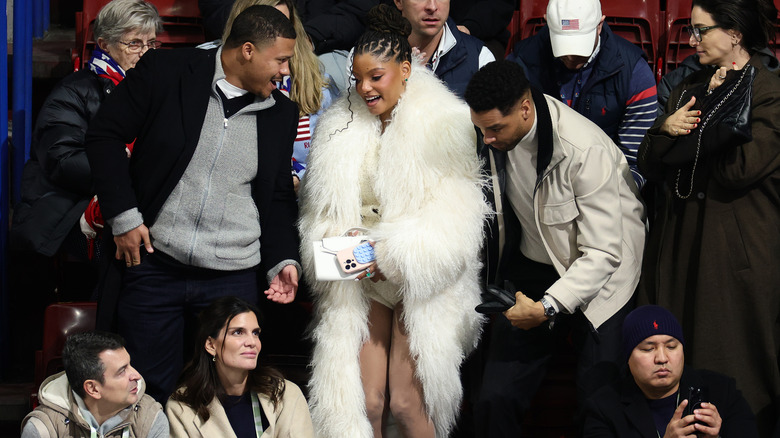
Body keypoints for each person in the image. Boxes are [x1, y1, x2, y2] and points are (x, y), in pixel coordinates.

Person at [85, 5, 300, 403]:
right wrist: (123, 217)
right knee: (148, 393)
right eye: (282, 59)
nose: (286, 71)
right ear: (248, 50)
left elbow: (277, 196)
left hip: (233, 276)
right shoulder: (166, 72)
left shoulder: (282, 113)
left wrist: (283, 260)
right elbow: (104, 136)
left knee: (226, 396)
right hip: (154, 264)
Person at [298, 5, 489, 437]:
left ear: (406, 69)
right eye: (358, 78)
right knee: (364, 403)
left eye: (376, 77)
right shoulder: (337, 128)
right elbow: (318, 218)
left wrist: (393, 254)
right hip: (362, 272)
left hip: (421, 278)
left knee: (406, 403)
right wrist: (348, 251)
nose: (364, 88)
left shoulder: (446, 122)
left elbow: (455, 223)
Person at [466, 60, 646, 436]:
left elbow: (603, 253)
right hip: (534, 264)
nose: (487, 140)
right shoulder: (492, 133)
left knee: (599, 404)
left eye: (495, 128)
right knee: (493, 399)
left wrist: (548, 307)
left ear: (525, 109)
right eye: (480, 129)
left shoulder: (584, 149)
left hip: (604, 277)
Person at [637, 0, 780, 435]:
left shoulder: (770, 90)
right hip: (681, 243)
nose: (693, 40)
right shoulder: (687, 86)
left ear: (734, 32)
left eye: (702, 31)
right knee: (685, 367)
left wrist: (698, 128)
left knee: (735, 361)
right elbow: (651, 158)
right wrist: (665, 131)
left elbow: (740, 168)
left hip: (735, 254)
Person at [10, 0, 162, 288]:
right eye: (134, 44)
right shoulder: (73, 91)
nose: (145, 54)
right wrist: (134, 173)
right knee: (140, 243)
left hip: (128, 197)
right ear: (104, 44)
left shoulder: (156, 90)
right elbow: (63, 161)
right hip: (71, 207)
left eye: (151, 44)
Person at [507, 0, 657, 190]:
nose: (570, 57)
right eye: (564, 46)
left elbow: (635, 159)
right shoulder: (521, 64)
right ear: (547, 24)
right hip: (536, 178)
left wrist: (610, 196)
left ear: (600, 25)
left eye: (580, 46)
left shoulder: (634, 73)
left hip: (609, 181)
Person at [583, 305, 758, 438]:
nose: (662, 358)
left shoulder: (721, 391)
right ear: (628, 358)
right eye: (648, 349)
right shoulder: (604, 408)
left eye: (671, 346)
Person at [166, 296, 313, 437]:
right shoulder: (182, 407)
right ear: (211, 345)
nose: (252, 342)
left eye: (255, 333)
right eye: (238, 332)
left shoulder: (286, 395)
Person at [21, 331, 168, 438]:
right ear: (93, 388)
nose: (137, 376)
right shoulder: (43, 429)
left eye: (130, 364)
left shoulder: (149, 417)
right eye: (122, 371)